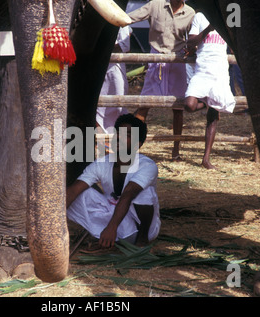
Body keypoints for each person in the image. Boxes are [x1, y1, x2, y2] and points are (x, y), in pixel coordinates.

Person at [66, 114, 161, 249]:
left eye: (127, 135)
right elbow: (75, 189)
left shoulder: (147, 166)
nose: (120, 138)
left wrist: (112, 227)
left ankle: (142, 240)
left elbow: (128, 193)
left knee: (144, 192)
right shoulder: (102, 163)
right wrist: (52, 222)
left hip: (138, 228)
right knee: (79, 193)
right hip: (116, 221)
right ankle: (106, 236)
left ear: (138, 144)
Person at [127, 0, 195, 160]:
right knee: (144, 106)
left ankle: (176, 150)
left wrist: (189, 51)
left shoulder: (190, 13)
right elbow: (129, 18)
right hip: (155, 59)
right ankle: (131, 149)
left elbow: (193, 39)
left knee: (178, 108)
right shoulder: (155, 5)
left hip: (177, 61)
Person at [184, 12, 236, 169]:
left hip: (219, 71)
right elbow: (190, 42)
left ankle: (206, 159)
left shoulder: (231, 16)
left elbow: (235, 41)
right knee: (189, 105)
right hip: (202, 70)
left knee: (212, 117)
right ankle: (208, 104)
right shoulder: (200, 16)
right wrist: (208, 29)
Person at [96, 26, 132, 135]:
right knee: (98, 105)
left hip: (115, 67)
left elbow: (125, 46)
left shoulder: (121, 21)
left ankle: (119, 139)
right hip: (98, 66)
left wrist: (101, 48)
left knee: (118, 102)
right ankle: (102, 141)